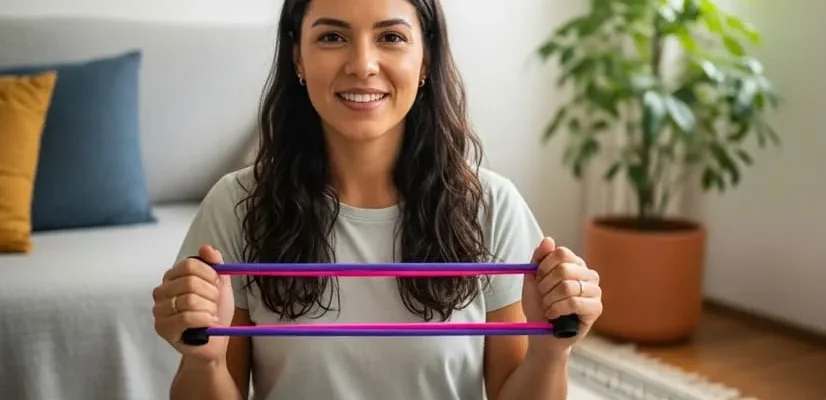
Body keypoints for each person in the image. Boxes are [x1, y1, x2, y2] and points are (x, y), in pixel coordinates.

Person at [151, 0, 604, 399]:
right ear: (298, 58)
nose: (363, 64)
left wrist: (551, 352)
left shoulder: (492, 206)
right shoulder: (237, 204)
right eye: (332, 36)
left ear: (426, 58)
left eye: (390, 37)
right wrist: (204, 361)